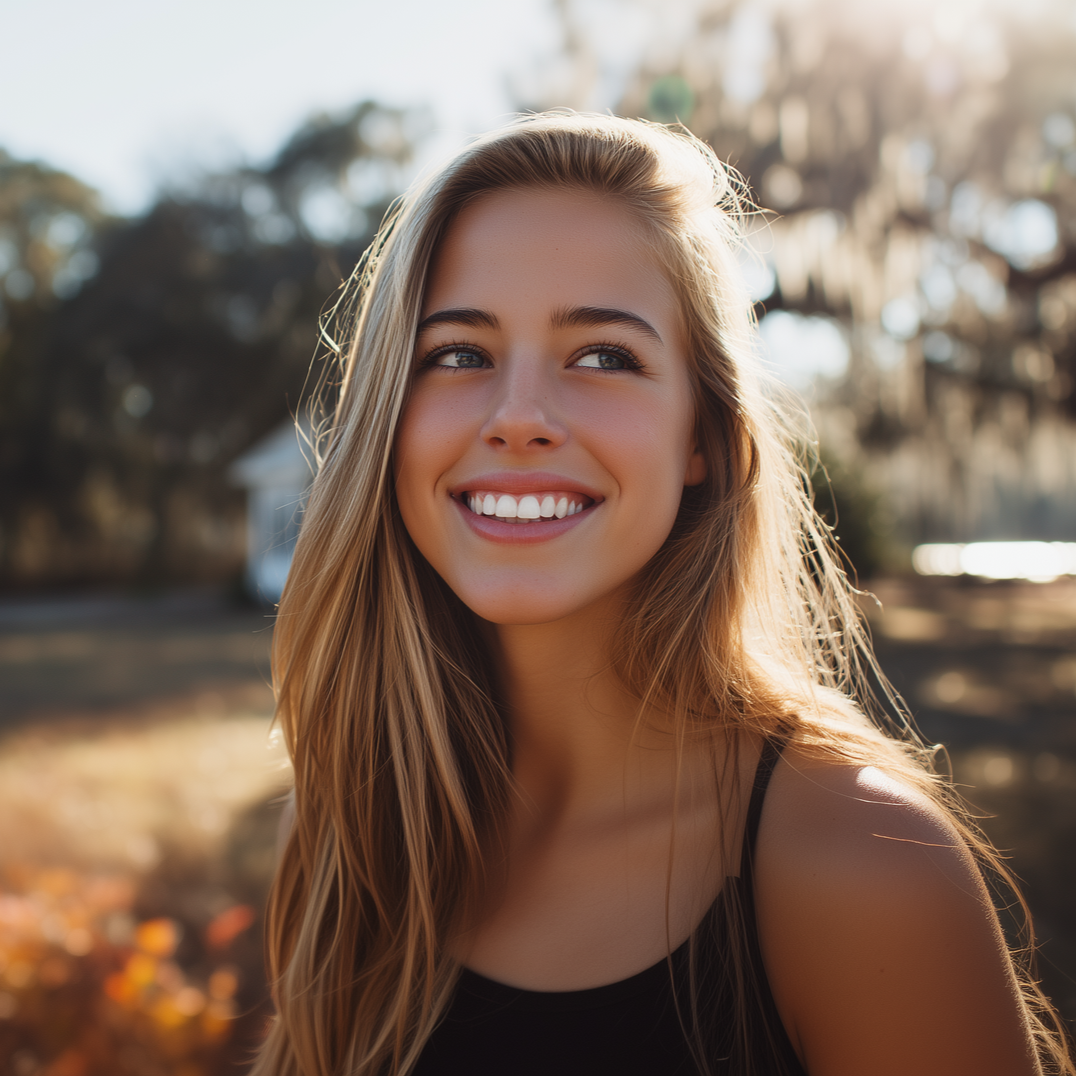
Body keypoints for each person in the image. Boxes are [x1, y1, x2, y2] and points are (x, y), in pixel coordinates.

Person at [251, 113, 1074, 1076]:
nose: (518, 418)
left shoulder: (866, 866)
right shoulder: (354, 824)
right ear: (388, 420)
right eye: (458, 355)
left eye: (603, 355)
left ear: (702, 438)